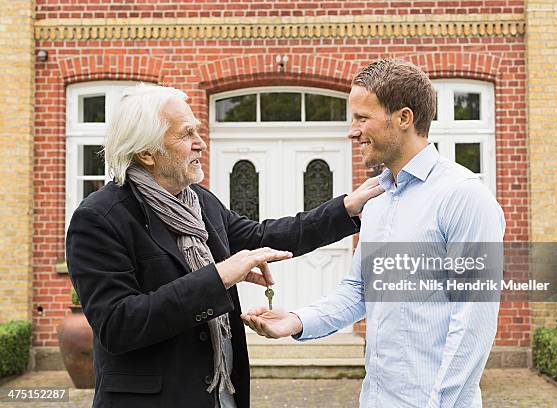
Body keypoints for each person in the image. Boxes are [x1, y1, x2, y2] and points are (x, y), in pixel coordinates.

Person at [65, 83, 384, 408]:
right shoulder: (99, 219)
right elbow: (118, 325)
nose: (200, 144)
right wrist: (217, 278)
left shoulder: (198, 202)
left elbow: (263, 237)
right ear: (147, 153)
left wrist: (346, 209)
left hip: (221, 394)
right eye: (186, 134)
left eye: (197, 132)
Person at [242, 59, 506, 407]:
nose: (352, 131)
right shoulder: (377, 200)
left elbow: (474, 321)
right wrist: (295, 321)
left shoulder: (464, 196)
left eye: (362, 118)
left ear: (404, 118)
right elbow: (359, 290)